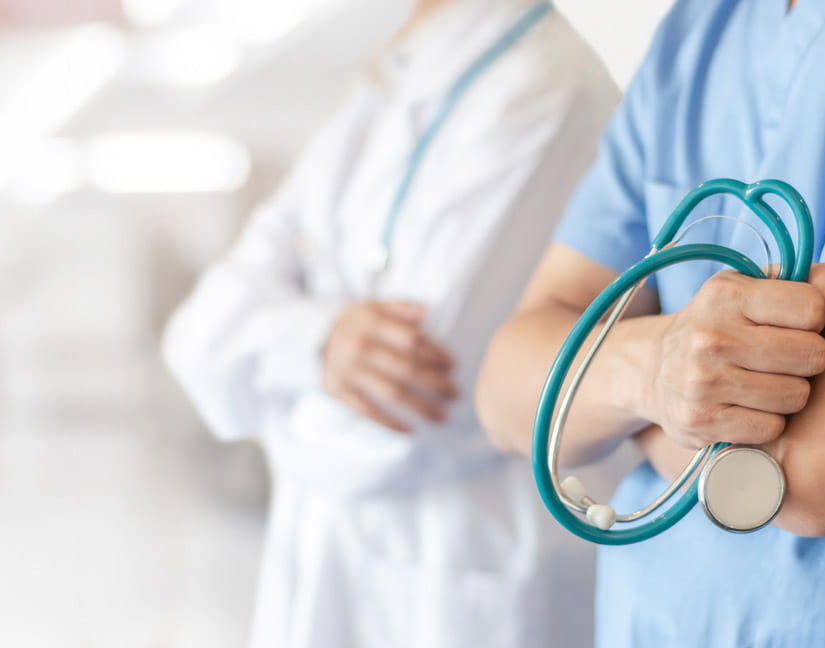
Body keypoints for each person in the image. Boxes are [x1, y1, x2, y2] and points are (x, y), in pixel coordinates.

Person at [476, 0, 825, 645]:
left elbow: (808, 478)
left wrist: (623, 399)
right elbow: (504, 394)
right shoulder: (698, 28)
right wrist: (656, 370)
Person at [162, 1, 620, 646]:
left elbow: (405, 409)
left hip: (466, 559)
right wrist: (320, 343)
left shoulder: (545, 85)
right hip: (339, 551)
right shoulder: (392, 74)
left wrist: (273, 374)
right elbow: (199, 336)